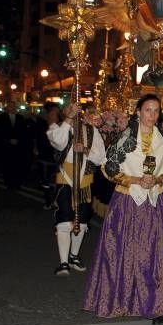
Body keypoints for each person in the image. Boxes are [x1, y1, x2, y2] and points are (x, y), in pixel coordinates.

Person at [83, 94, 163, 325]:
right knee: (125, 251)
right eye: (148, 110)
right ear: (138, 112)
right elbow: (108, 169)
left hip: (154, 203)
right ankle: (120, 300)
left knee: (156, 252)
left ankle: (158, 306)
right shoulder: (125, 139)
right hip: (127, 203)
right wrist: (134, 180)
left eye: (156, 111)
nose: (152, 115)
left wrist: (158, 180)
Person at [47, 102, 106, 277]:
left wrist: (86, 150)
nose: (73, 111)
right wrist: (69, 119)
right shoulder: (58, 128)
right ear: (64, 112)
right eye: (69, 109)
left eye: (75, 109)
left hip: (85, 182)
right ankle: (63, 262)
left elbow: (101, 157)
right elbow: (57, 142)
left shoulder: (91, 130)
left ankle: (74, 256)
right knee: (64, 220)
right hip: (66, 180)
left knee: (82, 222)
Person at [0, 103, 33, 189]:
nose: (13, 108)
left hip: (18, 146)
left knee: (17, 164)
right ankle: (8, 182)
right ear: (7, 108)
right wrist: (8, 140)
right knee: (8, 164)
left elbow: (23, 131)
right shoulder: (2, 117)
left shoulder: (20, 117)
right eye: (11, 107)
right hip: (7, 145)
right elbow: (0, 131)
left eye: (14, 107)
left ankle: (17, 182)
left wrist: (19, 140)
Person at [36, 103, 60, 210]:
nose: (55, 115)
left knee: (56, 181)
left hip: (57, 159)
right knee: (46, 182)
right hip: (45, 157)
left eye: (56, 113)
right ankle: (48, 201)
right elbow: (40, 140)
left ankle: (55, 200)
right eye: (53, 113)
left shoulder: (61, 126)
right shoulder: (42, 125)